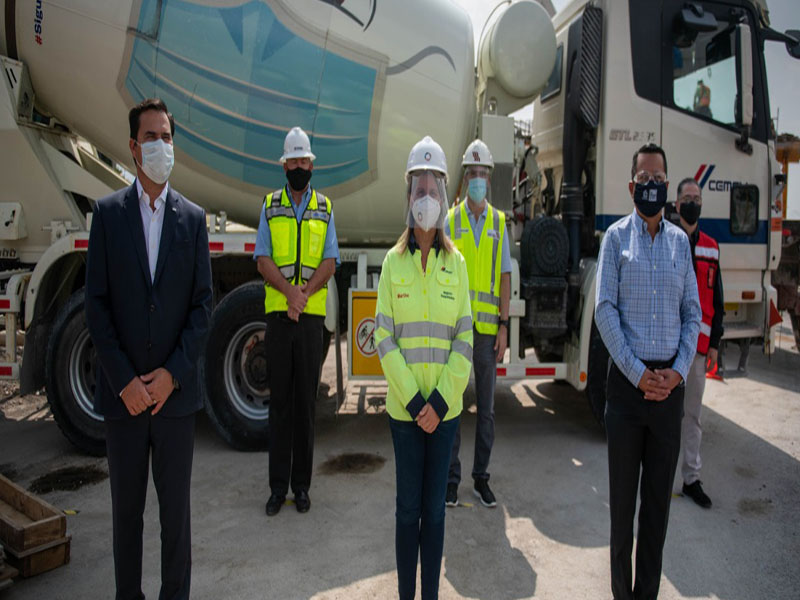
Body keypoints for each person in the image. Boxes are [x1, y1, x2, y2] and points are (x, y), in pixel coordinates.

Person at [86, 98, 213, 600]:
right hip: (125, 402)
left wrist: (170, 375)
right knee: (127, 519)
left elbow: (203, 308)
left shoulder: (193, 219)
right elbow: (96, 306)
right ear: (134, 148)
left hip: (174, 399)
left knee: (175, 520)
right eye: (152, 137)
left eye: (167, 136)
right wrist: (124, 382)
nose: (161, 145)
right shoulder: (109, 214)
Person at [595, 143, 701, 600]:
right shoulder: (616, 239)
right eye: (645, 179)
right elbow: (604, 311)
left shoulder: (681, 244)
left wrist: (676, 373)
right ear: (631, 185)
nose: (653, 186)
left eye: (660, 179)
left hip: (668, 395)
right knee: (623, 514)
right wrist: (639, 374)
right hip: (626, 392)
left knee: (656, 513)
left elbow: (693, 314)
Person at [375, 135, 473, 600]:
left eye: (435, 190)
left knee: (435, 512)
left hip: (445, 412)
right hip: (406, 415)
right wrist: (416, 402)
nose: (427, 199)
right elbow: (384, 337)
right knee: (405, 512)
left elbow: (465, 339)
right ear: (408, 195)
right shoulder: (393, 265)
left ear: (445, 196)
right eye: (420, 189)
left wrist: (437, 402)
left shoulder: (457, 266)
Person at [254, 126, 339, 516]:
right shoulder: (270, 204)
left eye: (306, 161)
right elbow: (262, 258)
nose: (301, 166)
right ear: (284, 165)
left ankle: (301, 487)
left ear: (311, 165)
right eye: (295, 161)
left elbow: (330, 260)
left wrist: (302, 296)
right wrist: (291, 294)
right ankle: (277, 488)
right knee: (280, 406)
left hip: (308, 321)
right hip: (280, 315)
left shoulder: (325, 207)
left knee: (305, 404)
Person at [444, 139, 511, 508]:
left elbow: (504, 277)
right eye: (472, 173)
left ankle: (480, 477)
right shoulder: (450, 220)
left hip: (486, 334)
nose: (478, 178)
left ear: (489, 177)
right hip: (456, 332)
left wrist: (504, 326)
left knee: (485, 411)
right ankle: (452, 480)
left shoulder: (499, 223)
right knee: (453, 408)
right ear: (465, 177)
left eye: (483, 173)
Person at [674, 177, 724, 509]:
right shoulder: (666, 239)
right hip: (667, 345)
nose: (692, 202)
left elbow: (717, 299)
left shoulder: (710, 246)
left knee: (692, 416)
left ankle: (691, 478)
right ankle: (659, 477)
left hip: (698, 348)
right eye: (687, 197)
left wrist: (716, 343)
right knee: (662, 416)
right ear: (677, 204)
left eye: (697, 197)